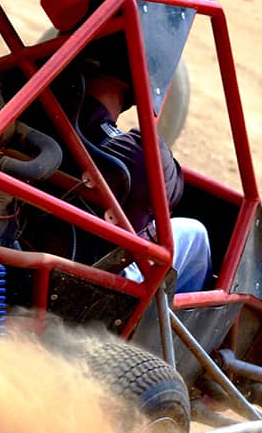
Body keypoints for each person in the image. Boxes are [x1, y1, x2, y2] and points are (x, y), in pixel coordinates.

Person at [73, 45, 212, 294]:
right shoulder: (133, 153)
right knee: (195, 234)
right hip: (93, 286)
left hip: (20, 249)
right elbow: (172, 191)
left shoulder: (20, 103)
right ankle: (165, 330)